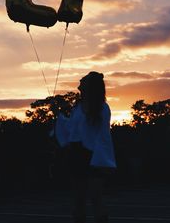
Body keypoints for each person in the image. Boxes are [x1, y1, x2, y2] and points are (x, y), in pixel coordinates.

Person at [55, 71, 116, 223]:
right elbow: (72, 128)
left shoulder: (102, 107)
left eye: (84, 79)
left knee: (96, 197)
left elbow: (94, 129)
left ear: (90, 86)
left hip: (95, 156)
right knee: (78, 199)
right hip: (77, 154)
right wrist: (60, 116)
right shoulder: (78, 106)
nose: (80, 80)